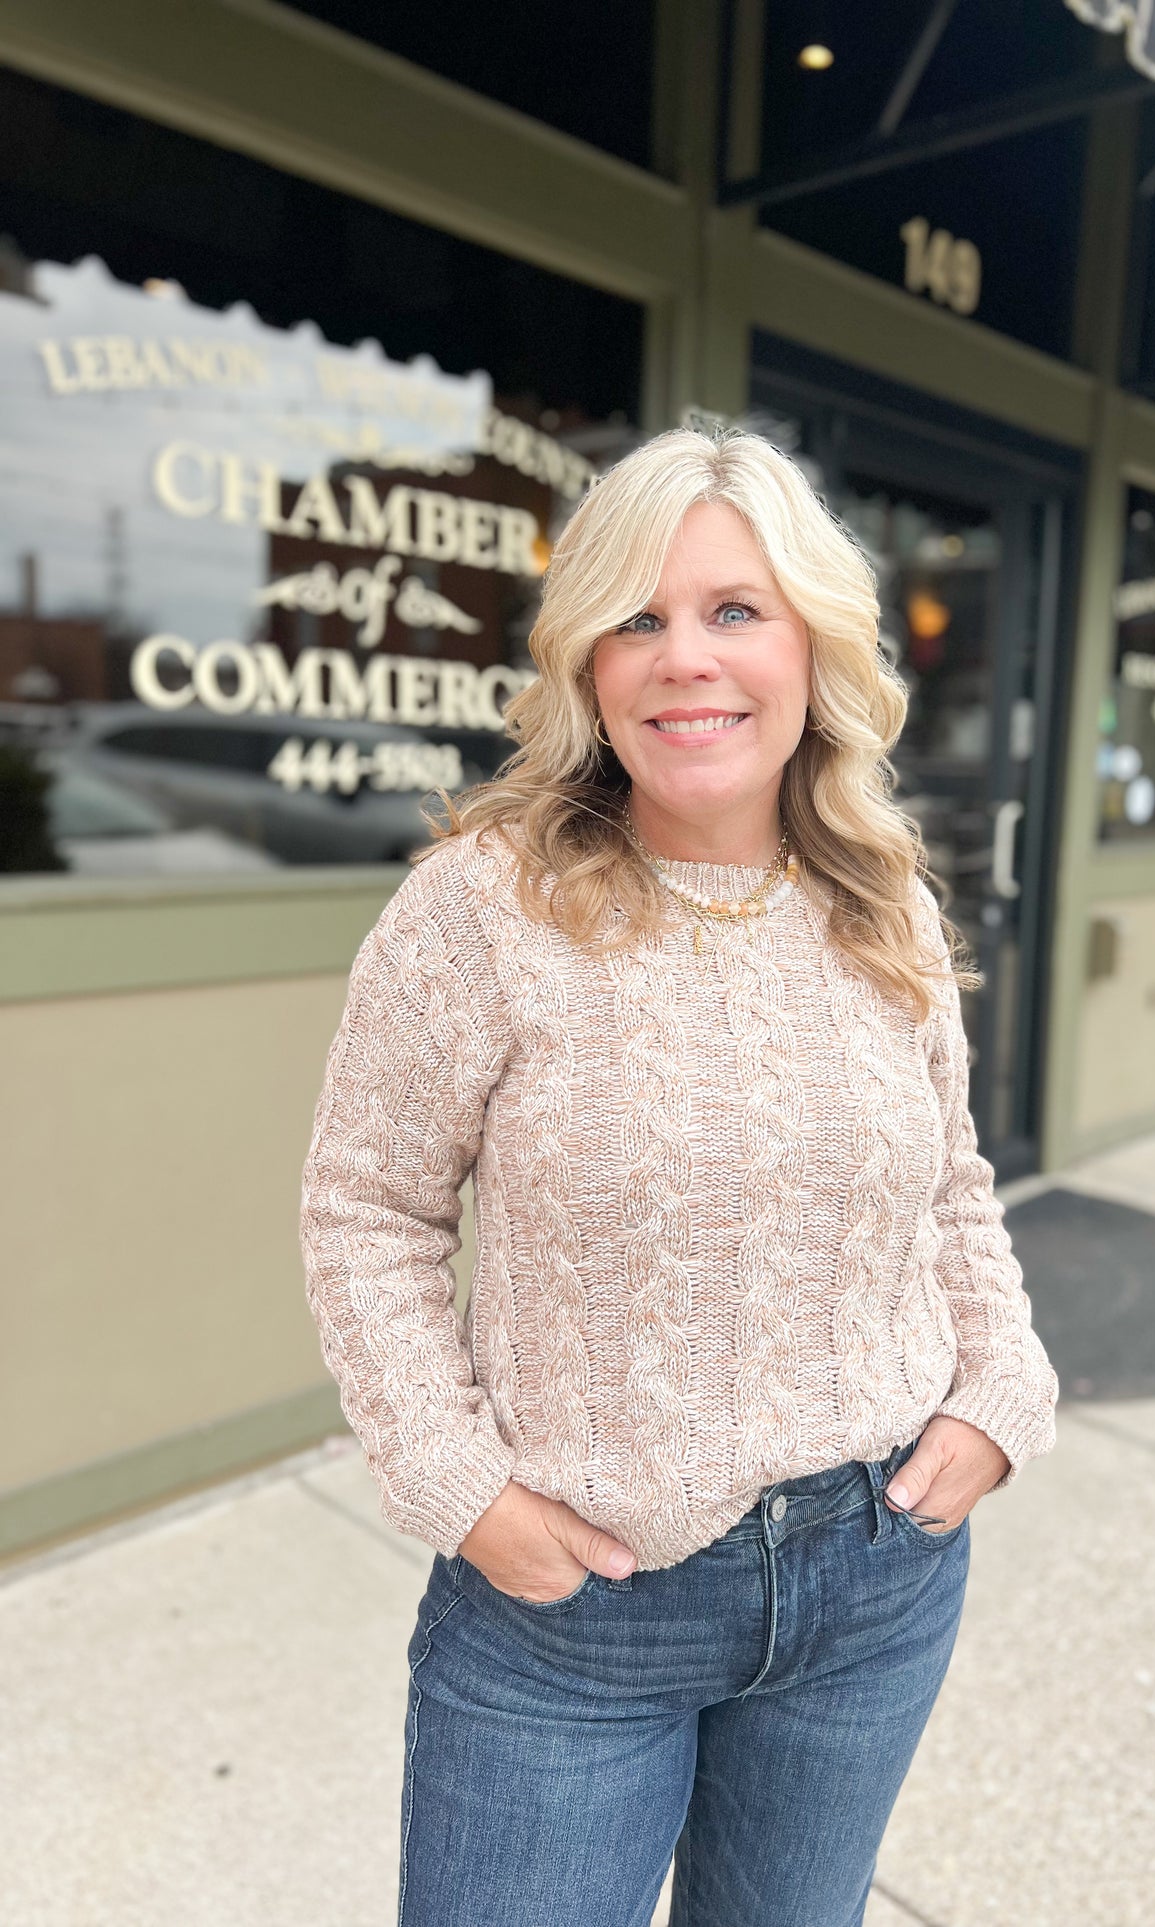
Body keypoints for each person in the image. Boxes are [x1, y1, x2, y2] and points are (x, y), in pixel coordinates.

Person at [299, 426, 1058, 1927]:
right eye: (636, 618)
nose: (683, 658)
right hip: (576, 1623)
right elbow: (366, 1210)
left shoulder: (882, 902)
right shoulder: (481, 909)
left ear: (811, 648)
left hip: (876, 1579)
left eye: (734, 611)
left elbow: (951, 1185)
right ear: (587, 665)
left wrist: (1001, 1383)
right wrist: (459, 1485)